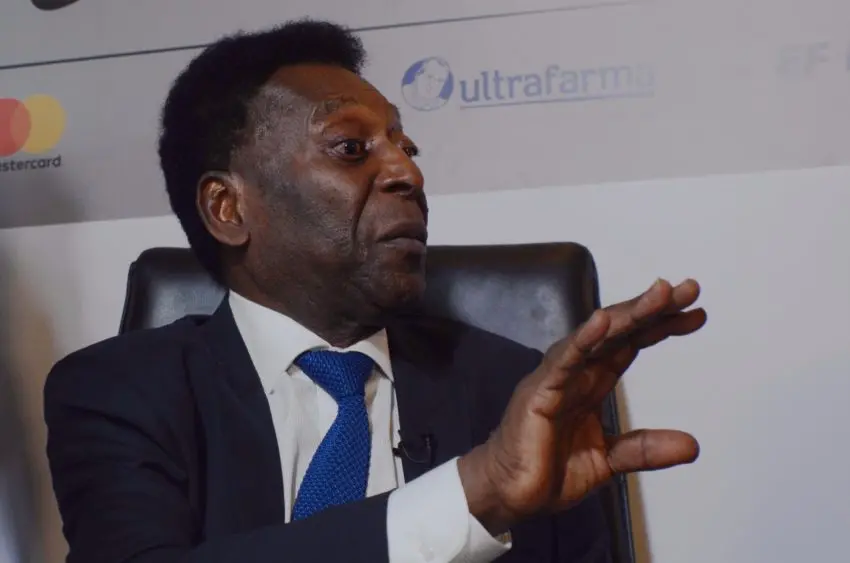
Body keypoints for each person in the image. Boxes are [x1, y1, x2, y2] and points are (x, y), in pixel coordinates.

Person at [43, 19, 706, 563]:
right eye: (351, 148)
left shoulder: (514, 390)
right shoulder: (118, 391)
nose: (407, 173)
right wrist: (475, 493)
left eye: (406, 146)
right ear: (228, 207)